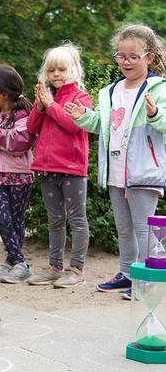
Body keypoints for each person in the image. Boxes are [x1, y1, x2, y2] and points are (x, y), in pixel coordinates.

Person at [65, 23, 166, 300]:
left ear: (150, 57)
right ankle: (126, 274)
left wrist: (156, 113)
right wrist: (82, 116)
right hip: (116, 170)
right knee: (124, 227)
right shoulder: (111, 91)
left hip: (144, 171)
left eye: (134, 56)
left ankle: (145, 281)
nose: (126, 61)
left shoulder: (159, 89)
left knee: (143, 227)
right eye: (121, 56)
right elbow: (102, 124)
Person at [25, 43, 92, 288]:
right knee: (55, 219)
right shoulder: (45, 96)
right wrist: (41, 106)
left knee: (77, 219)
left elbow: (75, 125)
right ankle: (55, 267)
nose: (56, 74)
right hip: (47, 167)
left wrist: (51, 106)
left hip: (72, 169)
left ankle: (76, 269)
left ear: (72, 70)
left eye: (61, 69)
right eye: (51, 70)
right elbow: (32, 128)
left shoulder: (81, 97)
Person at [0, 66, 36, 284]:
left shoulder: (23, 114)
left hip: (19, 175)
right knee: (2, 219)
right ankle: (18, 262)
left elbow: (20, 142)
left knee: (16, 221)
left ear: (4, 93)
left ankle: (14, 262)